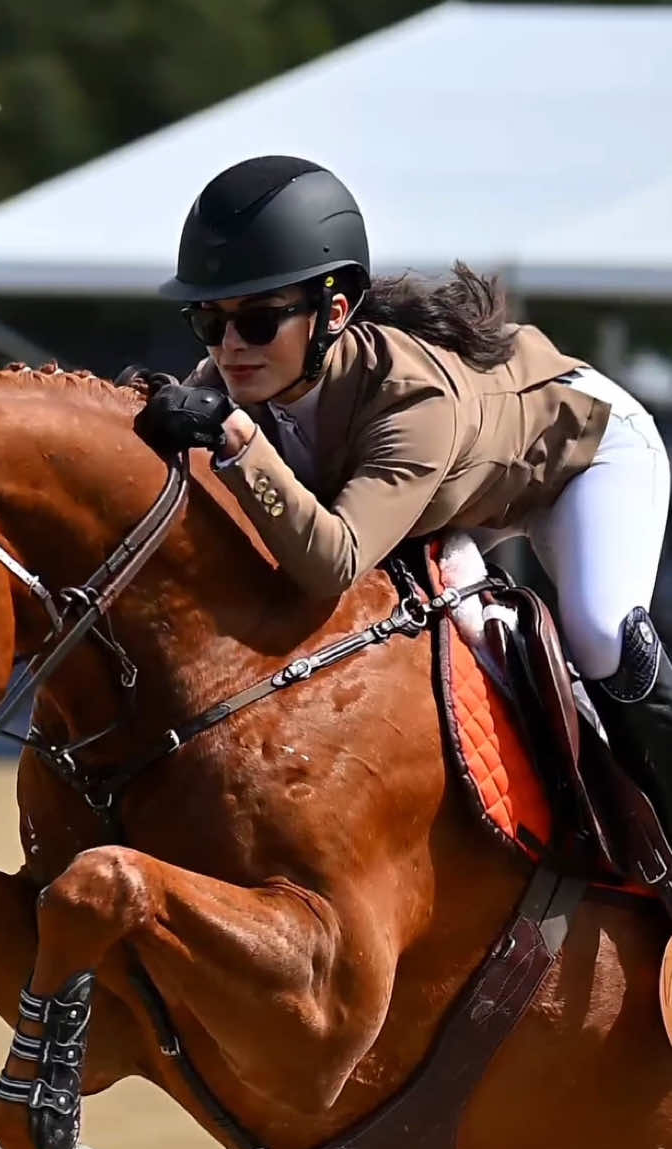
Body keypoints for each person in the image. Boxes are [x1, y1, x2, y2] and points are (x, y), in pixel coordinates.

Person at [134, 155, 672, 840]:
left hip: (583, 457)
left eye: (260, 322)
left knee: (599, 635)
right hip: (458, 488)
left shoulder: (412, 401)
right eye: (209, 322)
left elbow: (333, 561)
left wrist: (239, 441)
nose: (231, 347)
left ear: (333, 312)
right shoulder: (242, 370)